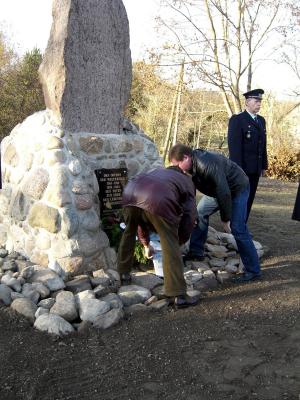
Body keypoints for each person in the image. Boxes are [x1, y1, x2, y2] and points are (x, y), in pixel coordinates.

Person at [169, 143, 261, 283]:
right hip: (217, 190)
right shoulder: (189, 168)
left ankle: (253, 270)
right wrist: (190, 211)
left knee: (237, 228)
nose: (176, 168)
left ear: (186, 158)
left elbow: (224, 193)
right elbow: (191, 190)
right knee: (199, 213)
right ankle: (196, 252)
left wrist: (226, 218)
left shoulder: (207, 165)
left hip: (237, 188)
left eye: (177, 164)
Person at [117, 165, 199, 308]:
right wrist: (179, 241)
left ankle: (123, 275)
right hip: (158, 199)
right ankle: (178, 295)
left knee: (129, 232)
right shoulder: (186, 181)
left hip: (129, 193)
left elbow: (141, 219)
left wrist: (145, 244)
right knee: (170, 243)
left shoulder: (156, 172)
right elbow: (190, 216)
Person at [228, 89, 268, 220]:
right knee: (239, 200)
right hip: (242, 169)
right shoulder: (238, 120)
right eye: (256, 101)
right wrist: (238, 170)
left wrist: (263, 166)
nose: (259, 104)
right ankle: (235, 228)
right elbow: (235, 148)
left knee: (249, 199)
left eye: (260, 101)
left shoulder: (261, 121)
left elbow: (263, 145)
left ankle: (242, 226)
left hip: (255, 169)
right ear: (247, 102)